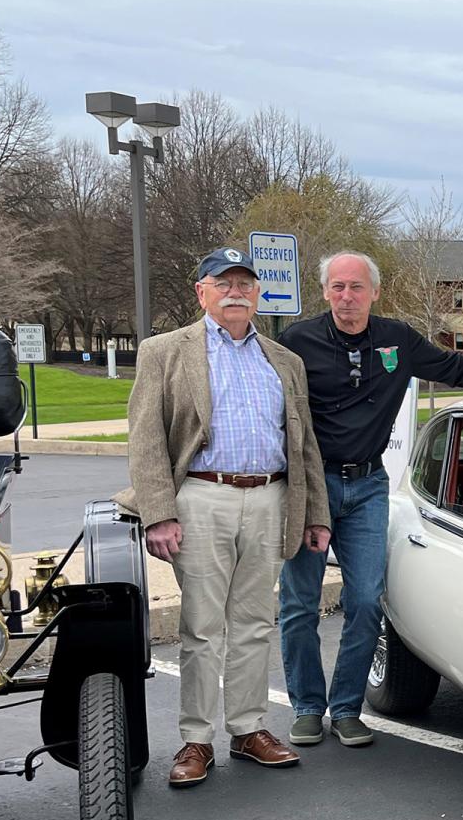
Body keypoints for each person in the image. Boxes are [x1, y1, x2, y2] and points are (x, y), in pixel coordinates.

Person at [277, 252, 463, 748]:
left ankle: (346, 709)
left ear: (374, 292)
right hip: (312, 488)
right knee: (300, 603)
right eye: (338, 287)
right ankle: (306, 707)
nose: (347, 297)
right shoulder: (296, 342)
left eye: (357, 287)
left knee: (365, 601)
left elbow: (454, 366)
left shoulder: (397, 339)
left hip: (368, 486)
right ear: (324, 292)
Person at [116, 247, 331, 787]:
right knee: (202, 626)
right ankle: (196, 738)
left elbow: (304, 444)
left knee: (255, 623)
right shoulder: (164, 351)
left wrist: (315, 513)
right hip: (201, 497)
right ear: (202, 292)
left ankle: (248, 729)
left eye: (245, 283)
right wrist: (159, 513)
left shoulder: (284, 360)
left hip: (270, 498)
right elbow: (145, 439)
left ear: (258, 294)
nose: (236, 292)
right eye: (223, 283)